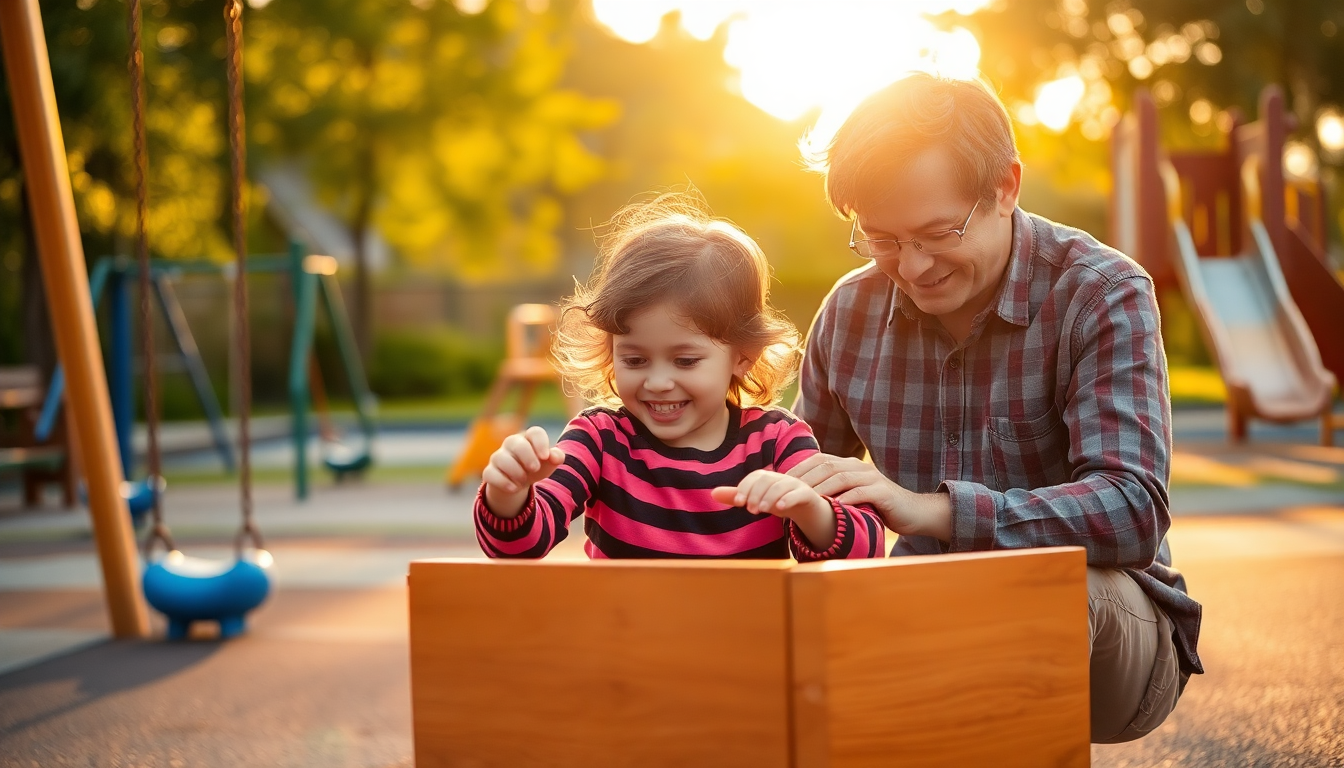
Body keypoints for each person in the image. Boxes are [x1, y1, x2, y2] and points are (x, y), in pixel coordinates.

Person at [786, 73, 1202, 743]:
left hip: (1110, 630)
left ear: (1005, 187)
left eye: (937, 232)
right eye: (882, 239)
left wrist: (937, 512)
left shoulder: (1099, 292)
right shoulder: (848, 313)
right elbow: (798, 489)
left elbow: (1133, 507)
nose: (913, 267)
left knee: (1038, 596)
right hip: (921, 626)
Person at [474, 192, 885, 562]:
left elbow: (864, 548)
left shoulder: (776, 442)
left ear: (743, 357)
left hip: (748, 643)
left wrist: (809, 508)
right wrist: (508, 494)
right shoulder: (599, 440)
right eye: (634, 360)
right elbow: (519, 545)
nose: (657, 382)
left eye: (685, 361)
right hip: (628, 642)